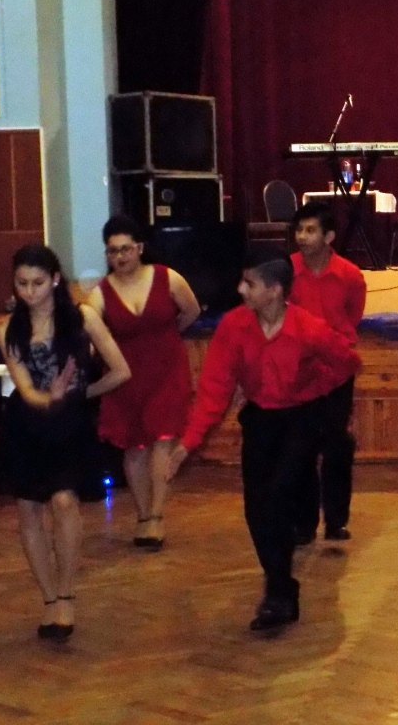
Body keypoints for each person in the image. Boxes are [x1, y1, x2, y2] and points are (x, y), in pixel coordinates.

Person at [166, 244, 360, 632]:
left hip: (301, 419)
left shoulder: (308, 328)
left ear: (274, 290)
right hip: (260, 421)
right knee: (256, 509)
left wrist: (317, 390)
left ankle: (278, 593)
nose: (240, 289)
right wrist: (186, 445)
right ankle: (280, 585)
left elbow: (347, 362)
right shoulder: (233, 327)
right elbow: (214, 391)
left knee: (277, 497)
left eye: (249, 283)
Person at [0, 245, 131, 640]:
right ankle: (49, 598)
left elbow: (120, 370)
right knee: (29, 510)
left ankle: (67, 593)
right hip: (26, 425)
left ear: (55, 280)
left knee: (65, 501)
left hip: (70, 425)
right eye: (22, 283)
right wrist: (49, 396)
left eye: (37, 283)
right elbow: (25, 389)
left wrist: (79, 394)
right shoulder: (9, 330)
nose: (29, 292)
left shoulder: (83, 318)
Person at [86, 215, 201, 551]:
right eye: (112, 251)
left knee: (163, 439)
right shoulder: (100, 293)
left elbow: (191, 311)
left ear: (139, 248)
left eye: (125, 249)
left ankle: (157, 515)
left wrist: (168, 337)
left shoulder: (167, 277)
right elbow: (90, 331)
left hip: (167, 368)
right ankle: (142, 515)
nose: (120, 257)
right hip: (124, 374)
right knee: (134, 445)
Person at [289, 202, 367, 544]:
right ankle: (303, 523)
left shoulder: (350, 275)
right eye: (299, 230)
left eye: (310, 230)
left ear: (329, 236)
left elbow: (353, 316)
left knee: (337, 444)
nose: (302, 237)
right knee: (301, 447)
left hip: (337, 371)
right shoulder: (286, 272)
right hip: (298, 371)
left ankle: (336, 520)